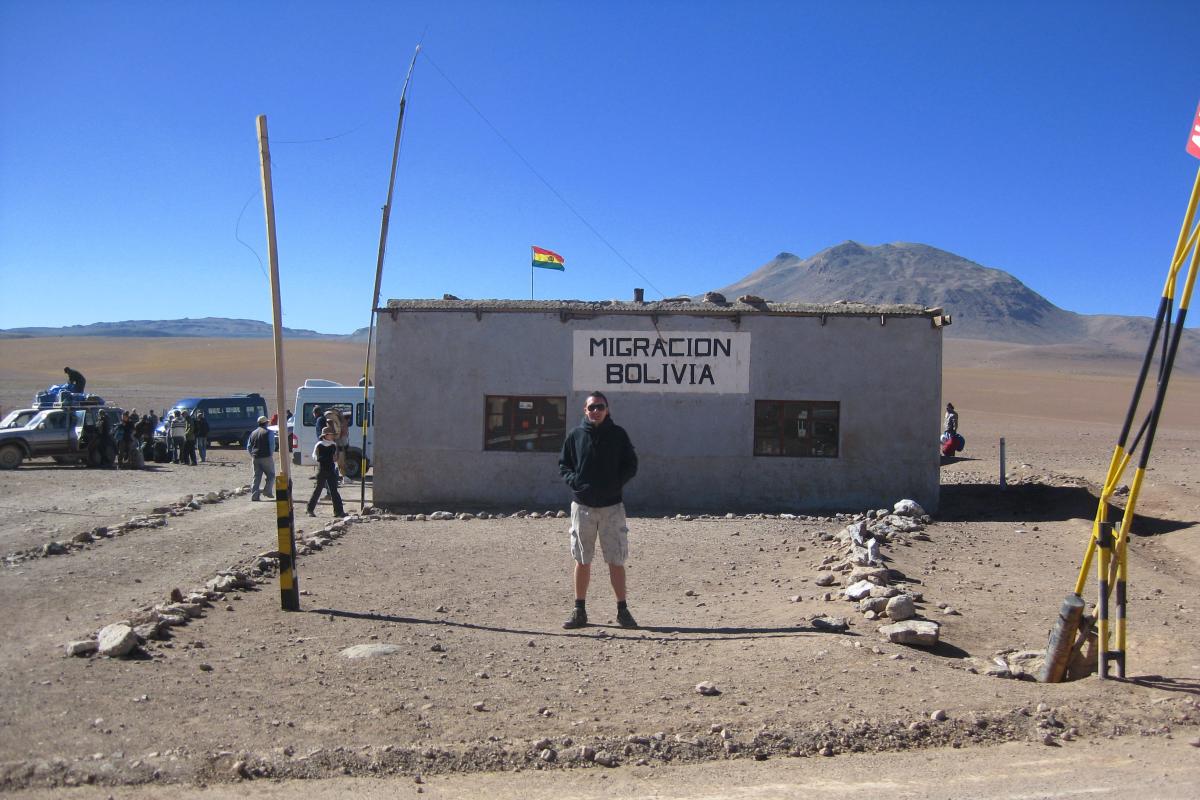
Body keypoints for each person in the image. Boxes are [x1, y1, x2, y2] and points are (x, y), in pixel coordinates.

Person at [557, 391, 639, 630]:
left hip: (612, 507)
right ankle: (579, 610)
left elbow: (631, 464)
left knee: (616, 559)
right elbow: (564, 464)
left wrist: (616, 483)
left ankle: (623, 611)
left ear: (607, 409)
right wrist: (576, 482)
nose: (596, 411)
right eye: (592, 407)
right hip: (582, 507)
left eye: (600, 407)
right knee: (582, 559)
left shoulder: (618, 435)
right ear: (585, 410)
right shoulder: (575, 436)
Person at [306, 428, 345, 518]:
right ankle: (309, 510)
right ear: (325, 435)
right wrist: (327, 458)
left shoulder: (334, 445)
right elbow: (315, 457)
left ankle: (339, 512)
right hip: (322, 470)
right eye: (330, 434)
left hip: (331, 469)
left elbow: (335, 457)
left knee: (334, 491)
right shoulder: (319, 445)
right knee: (318, 490)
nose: (332, 436)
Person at [246, 416, 275, 501]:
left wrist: (253, 455)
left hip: (255, 457)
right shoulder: (269, 432)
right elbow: (272, 446)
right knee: (271, 475)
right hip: (266, 457)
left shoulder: (253, 433)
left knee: (256, 476)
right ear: (266, 423)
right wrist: (270, 455)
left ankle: (254, 496)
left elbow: (249, 446)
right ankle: (267, 491)